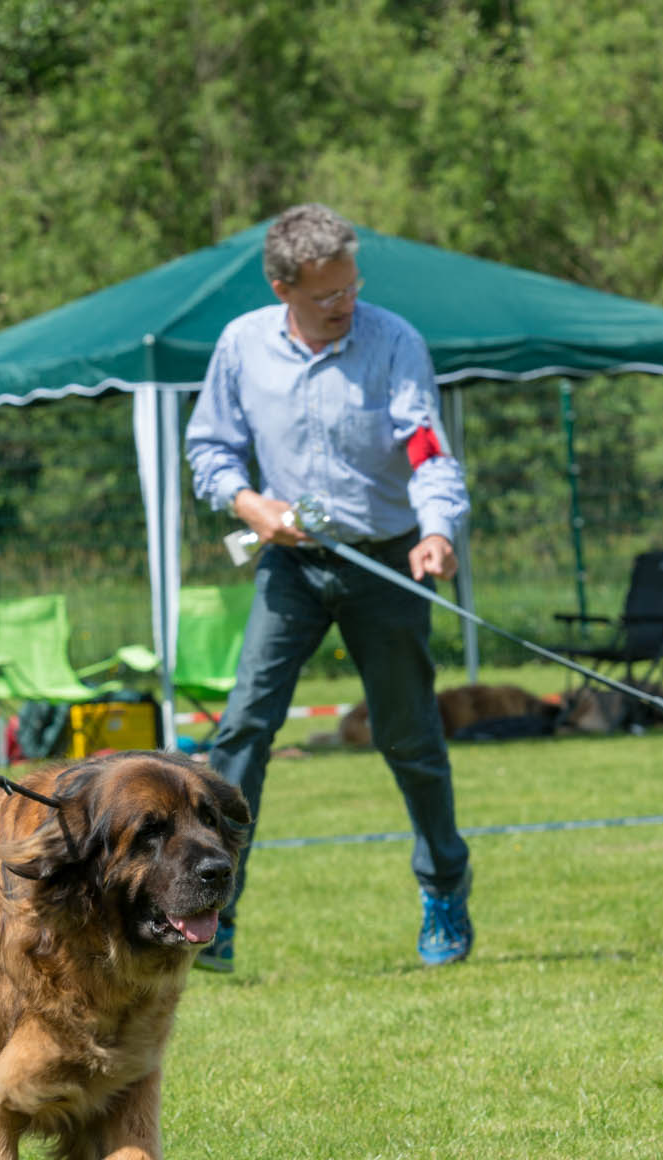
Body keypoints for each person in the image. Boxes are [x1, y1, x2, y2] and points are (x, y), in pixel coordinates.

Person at [185, 203, 474, 974]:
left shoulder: (394, 341)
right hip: (291, 564)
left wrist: (438, 529)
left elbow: (426, 444)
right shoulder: (242, 345)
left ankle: (445, 886)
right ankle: (214, 911)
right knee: (242, 729)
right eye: (327, 295)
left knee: (409, 736)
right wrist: (249, 503)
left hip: (387, 560)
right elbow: (210, 448)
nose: (346, 303)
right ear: (283, 288)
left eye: (352, 287)